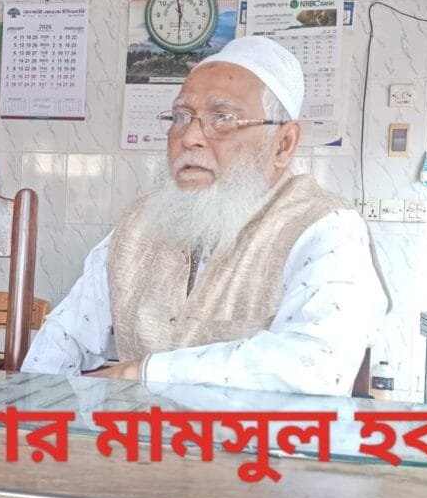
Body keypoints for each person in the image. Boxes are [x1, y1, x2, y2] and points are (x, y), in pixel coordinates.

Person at [22, 36, 389, 395]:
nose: (190, 137)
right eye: (181, 116)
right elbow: (63, 338)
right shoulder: (139, 224)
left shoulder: (325, 228)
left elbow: (316, 365)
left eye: (223, 118)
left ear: (283, 143)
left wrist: (145, 372)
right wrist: (28, 410)